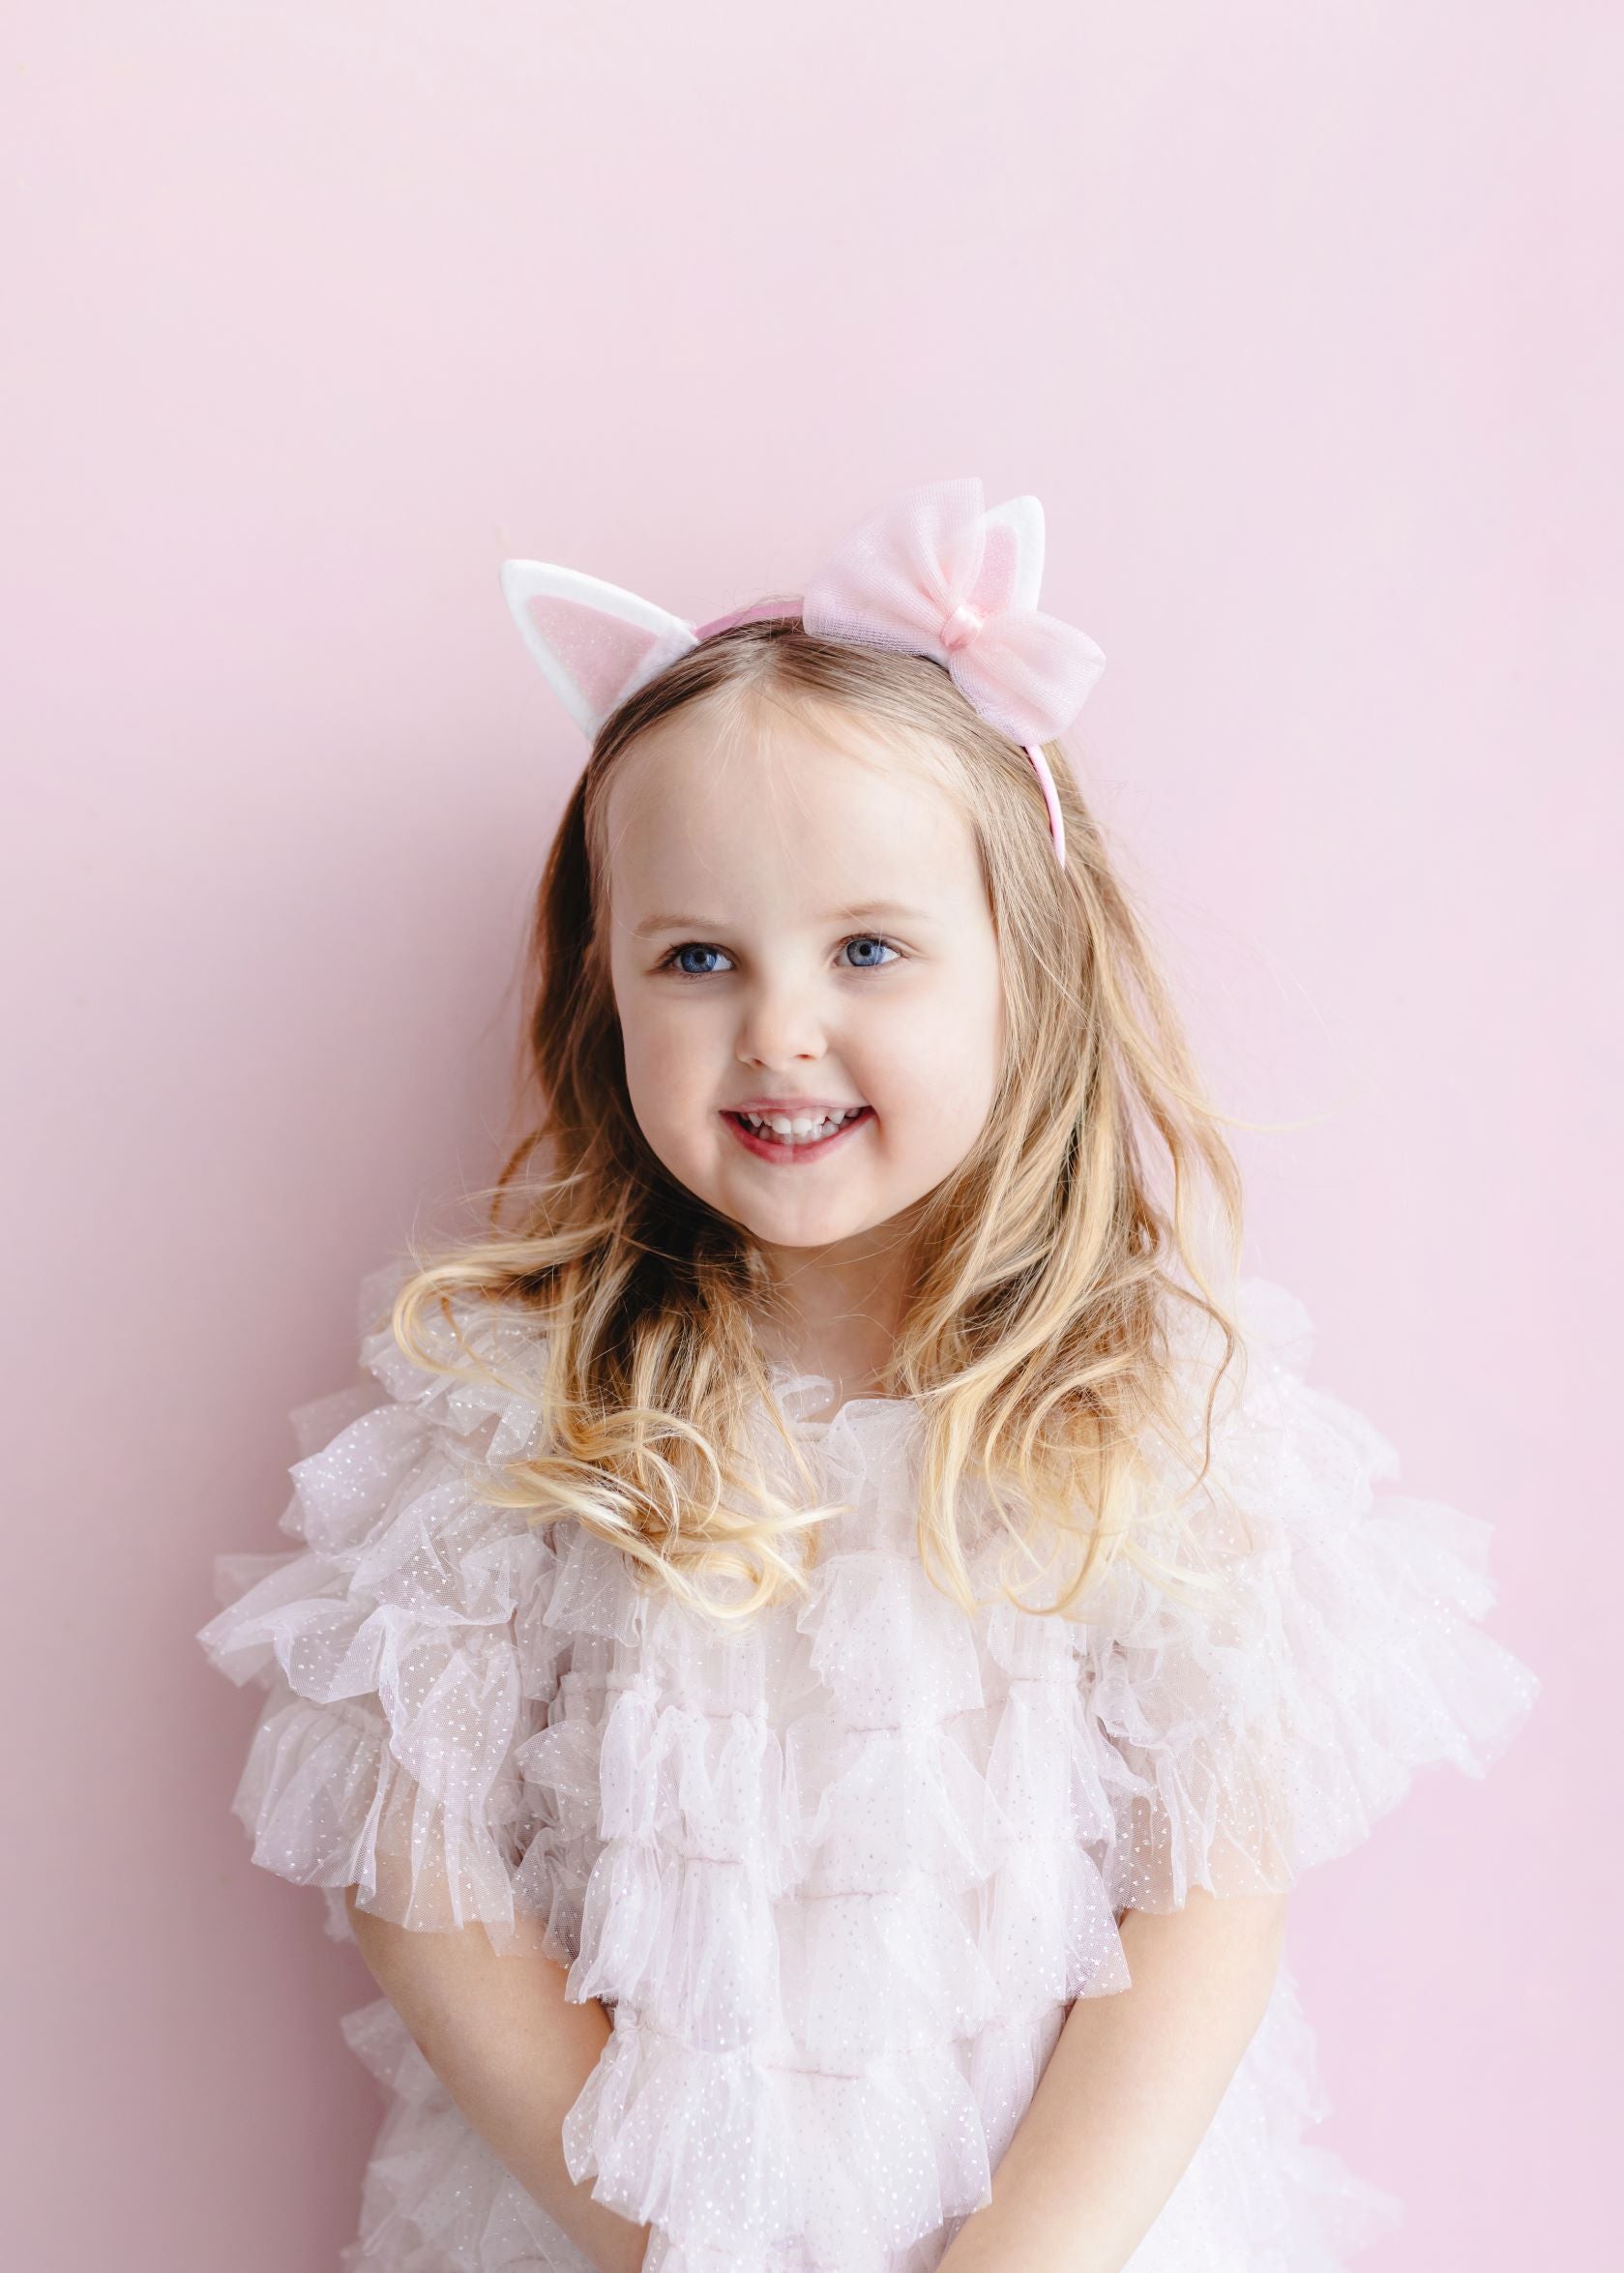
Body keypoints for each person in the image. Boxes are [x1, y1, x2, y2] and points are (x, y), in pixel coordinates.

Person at [195, 476, 1540, 2272]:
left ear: (1022, 975)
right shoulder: (528, 1398)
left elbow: (1212, 1889)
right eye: (697, 957)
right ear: (609, 992)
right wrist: (670, 2235)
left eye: (869, 949)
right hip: (629, 2226)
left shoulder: (1142, 1405)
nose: (779, 1028)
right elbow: (417, 1872)